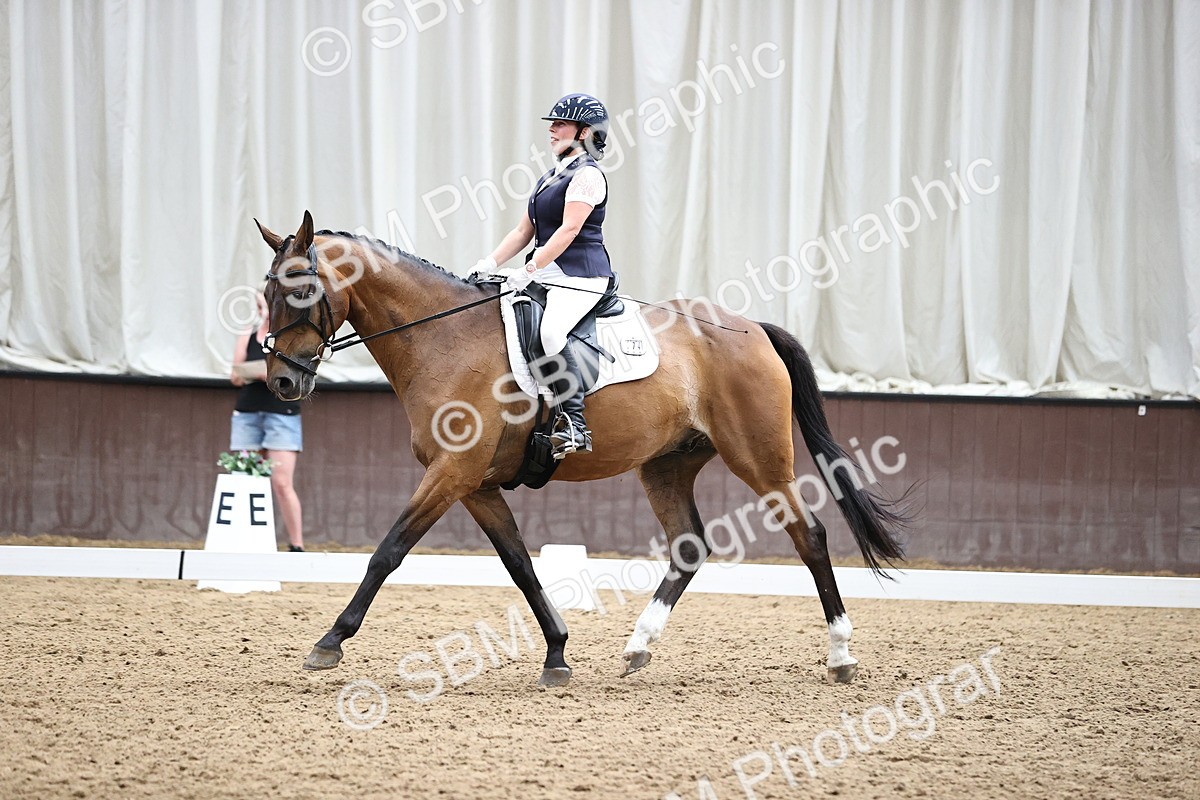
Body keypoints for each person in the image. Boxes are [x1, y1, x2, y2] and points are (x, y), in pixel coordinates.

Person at [475, 93, 614, 458]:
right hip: (549, 273)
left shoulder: (587, 177)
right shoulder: (550, 176)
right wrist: (488, 264)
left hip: (582, 277)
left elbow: (568, 231)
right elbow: (524, 232)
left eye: (560, 124)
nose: (552, 130)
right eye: (552, 124)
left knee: (551, 331)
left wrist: (529, 269)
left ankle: (575, 424)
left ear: (584, 132)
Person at [229, 291, 305, 551]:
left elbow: (297, 376)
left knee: (282, 483)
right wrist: (257, 374)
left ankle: (296, 545)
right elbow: (235, 376)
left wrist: (269, 375)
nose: (266, 311)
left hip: (281, 414)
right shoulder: (247, 335)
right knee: (242, 477)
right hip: (248, 411)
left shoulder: (291, 336)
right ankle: (242, 540)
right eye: (262, 306)